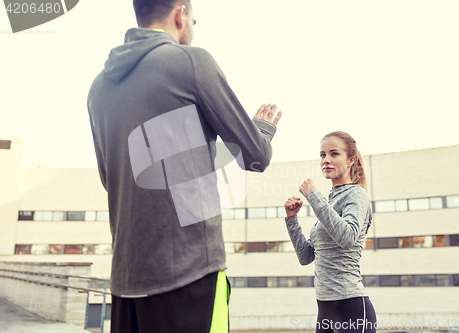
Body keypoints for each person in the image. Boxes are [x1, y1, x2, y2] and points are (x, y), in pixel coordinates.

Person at [86, 0, 282, 332]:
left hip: (125, 282)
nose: (192, 25)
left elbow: (112, 179)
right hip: (191, 276)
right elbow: (255, 156)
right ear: (180, 14)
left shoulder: (98, 89)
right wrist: (261, 129)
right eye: (193, 18)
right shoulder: (192, 62)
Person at [284, 131, 376, 333]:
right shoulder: (330, 201)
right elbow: (306, 257)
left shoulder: (356, 195)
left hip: (351, 307)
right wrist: (292, 219)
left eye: (334, 154)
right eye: (322, 155)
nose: (326, 160)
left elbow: (347, 238)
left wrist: (314, 196)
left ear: (351, 159)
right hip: (325, 308)